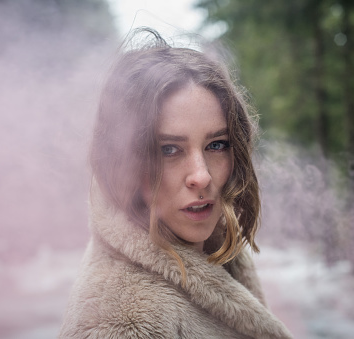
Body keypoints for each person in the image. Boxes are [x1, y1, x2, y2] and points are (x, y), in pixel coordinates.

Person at [59, 28, 293, 339]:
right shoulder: (120, 325)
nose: (202, 176)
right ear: (124, 161)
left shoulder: (218, 245)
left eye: (216, 145)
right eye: (169, 149)